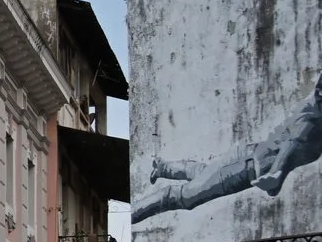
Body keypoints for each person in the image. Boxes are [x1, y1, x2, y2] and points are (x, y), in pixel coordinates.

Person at [134, 70, 322, 220]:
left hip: (246, 157)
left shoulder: (312, 108)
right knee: (185, 197)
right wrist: (276, 176)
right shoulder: (312, 122)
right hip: (244, 168)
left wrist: (276, 176)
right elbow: (292, 144)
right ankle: (135, 212)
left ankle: (163, 167)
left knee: (203, 173)